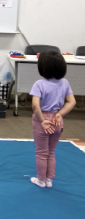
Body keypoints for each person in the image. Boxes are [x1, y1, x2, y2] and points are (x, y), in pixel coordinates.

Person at [29, 51, 76, 188]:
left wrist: (42, 121)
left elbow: (35, 106)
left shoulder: (39, 84)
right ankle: (49, 180)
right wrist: (60, 114)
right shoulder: (64, 83)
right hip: (57, 120)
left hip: (42, 120)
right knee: (51, 152)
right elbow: (71, 102)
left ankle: (41, 180)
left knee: (41, 152)